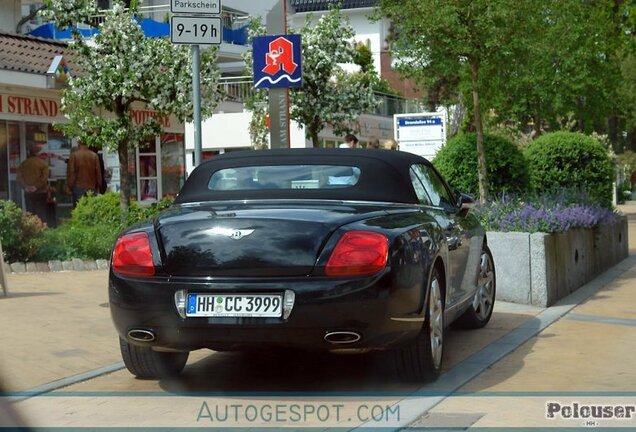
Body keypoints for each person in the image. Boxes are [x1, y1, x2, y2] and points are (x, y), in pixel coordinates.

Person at [17, 145, 49, 222]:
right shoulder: (43, 163)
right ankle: (41, 230)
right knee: (41, 213)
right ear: (38, 153)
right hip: (41, 192)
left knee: (30, 213)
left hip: (28, 193)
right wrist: (36, 186)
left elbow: (19, 178)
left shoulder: (23, 164)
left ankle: (31, 230)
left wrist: (25, 187)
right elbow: (44, 178)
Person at [67, 141, 102, 208]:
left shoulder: (74, 155)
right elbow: (98, 173)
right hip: (91, 187)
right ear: (88, 144)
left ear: (78, 143)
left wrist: (70, 186)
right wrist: (98, 186)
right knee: (92, 210)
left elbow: (71, 173)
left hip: (78, 187)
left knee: (79, 210)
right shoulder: (94, 155)